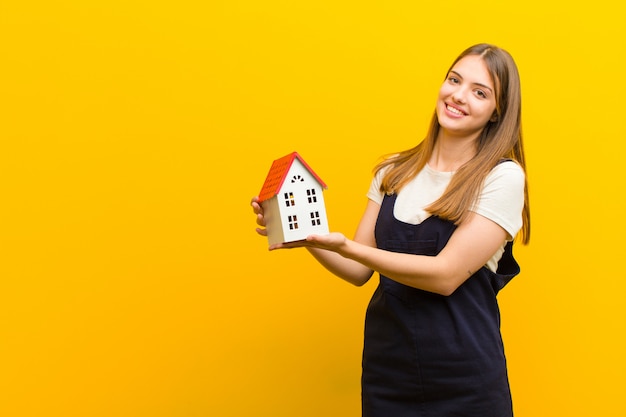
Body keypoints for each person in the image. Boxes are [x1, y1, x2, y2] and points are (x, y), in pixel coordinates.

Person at [251, 43, 530, 417]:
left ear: (497, 112)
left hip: (466, 381)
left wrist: (347, 246)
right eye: (454, 80)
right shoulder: (394, 171)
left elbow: (445, 275)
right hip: (389, 372)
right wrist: (303, 233)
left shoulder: (502, 177)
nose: (458, 96)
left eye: (480, 92)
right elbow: (358, 272)